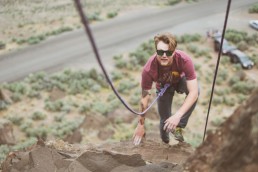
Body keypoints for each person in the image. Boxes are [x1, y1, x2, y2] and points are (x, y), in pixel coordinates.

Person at [133, 32, 199, 145]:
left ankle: (178, 127)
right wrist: (141, 125)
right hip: (163, 87)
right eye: (160, 52)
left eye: (168, 52)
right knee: (164, 119)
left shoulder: (184, 60)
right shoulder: (148, 69)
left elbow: (194, 92)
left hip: (179, 82)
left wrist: (178, 116)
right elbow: (144, 98)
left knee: (196, 90)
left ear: (174, 51)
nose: (164, 55)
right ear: (156, 51)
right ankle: (165, 142)